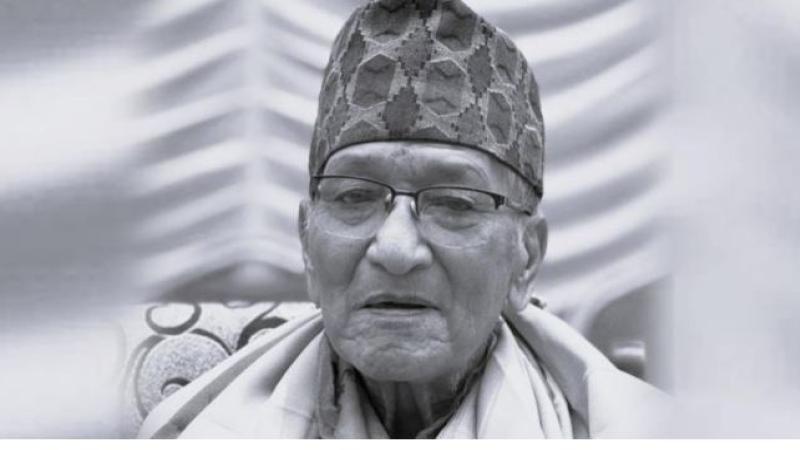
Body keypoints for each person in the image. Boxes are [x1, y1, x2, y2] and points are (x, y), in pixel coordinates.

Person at [139, 0, 668, 438]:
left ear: (525, 258)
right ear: (306, 245)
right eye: (354, 197)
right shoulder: (200, 432)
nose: (395, 249)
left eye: (454, 203)